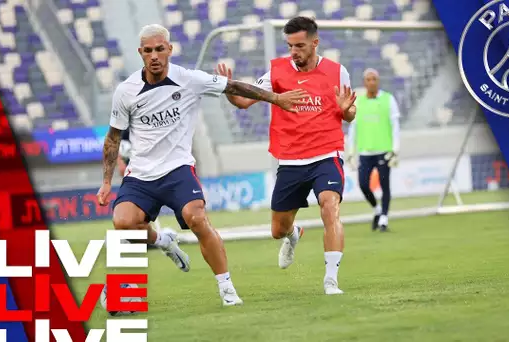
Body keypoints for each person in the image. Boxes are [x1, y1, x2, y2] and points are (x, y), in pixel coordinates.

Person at [96, 23, 309, 306]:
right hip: (141, 174)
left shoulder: (189, 79)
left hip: (178, 169)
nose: (155, 56)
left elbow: (233, 86)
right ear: (140, 53)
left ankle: (227, 289)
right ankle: (162, 241)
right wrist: (107, 181)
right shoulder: (126, 91)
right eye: (148, 51)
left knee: (197, 218)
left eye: (160, 49)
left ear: (169, 49)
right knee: (123, 222)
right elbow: (113, 138)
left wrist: (276, 98)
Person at [216, 16, 356, 295]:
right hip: (291, 159)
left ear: (315, 43)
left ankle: (331, 280)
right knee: (278, 230)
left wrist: (346, 110)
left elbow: (349, 115)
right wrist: (228, 88)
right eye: (290, 45)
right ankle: (293, 235)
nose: (294, 51)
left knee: (330, 207)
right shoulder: (276, 72)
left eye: (300, 45)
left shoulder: (338, 72)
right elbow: (244, 102)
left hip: (327, 153)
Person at [346, 68, 401, 232]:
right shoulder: (358, 102)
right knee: (363, 184)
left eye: (374, 79)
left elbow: (395, 126)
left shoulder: (388, 99)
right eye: (368, 79)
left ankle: (384, 218)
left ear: (378, 81)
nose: (371, 82)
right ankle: (377, 209)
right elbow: (352, 129)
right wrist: (350, 151)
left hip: (384, 151)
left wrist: (395, 149)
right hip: (365, 152)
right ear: (364, 82)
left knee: (385, 185)